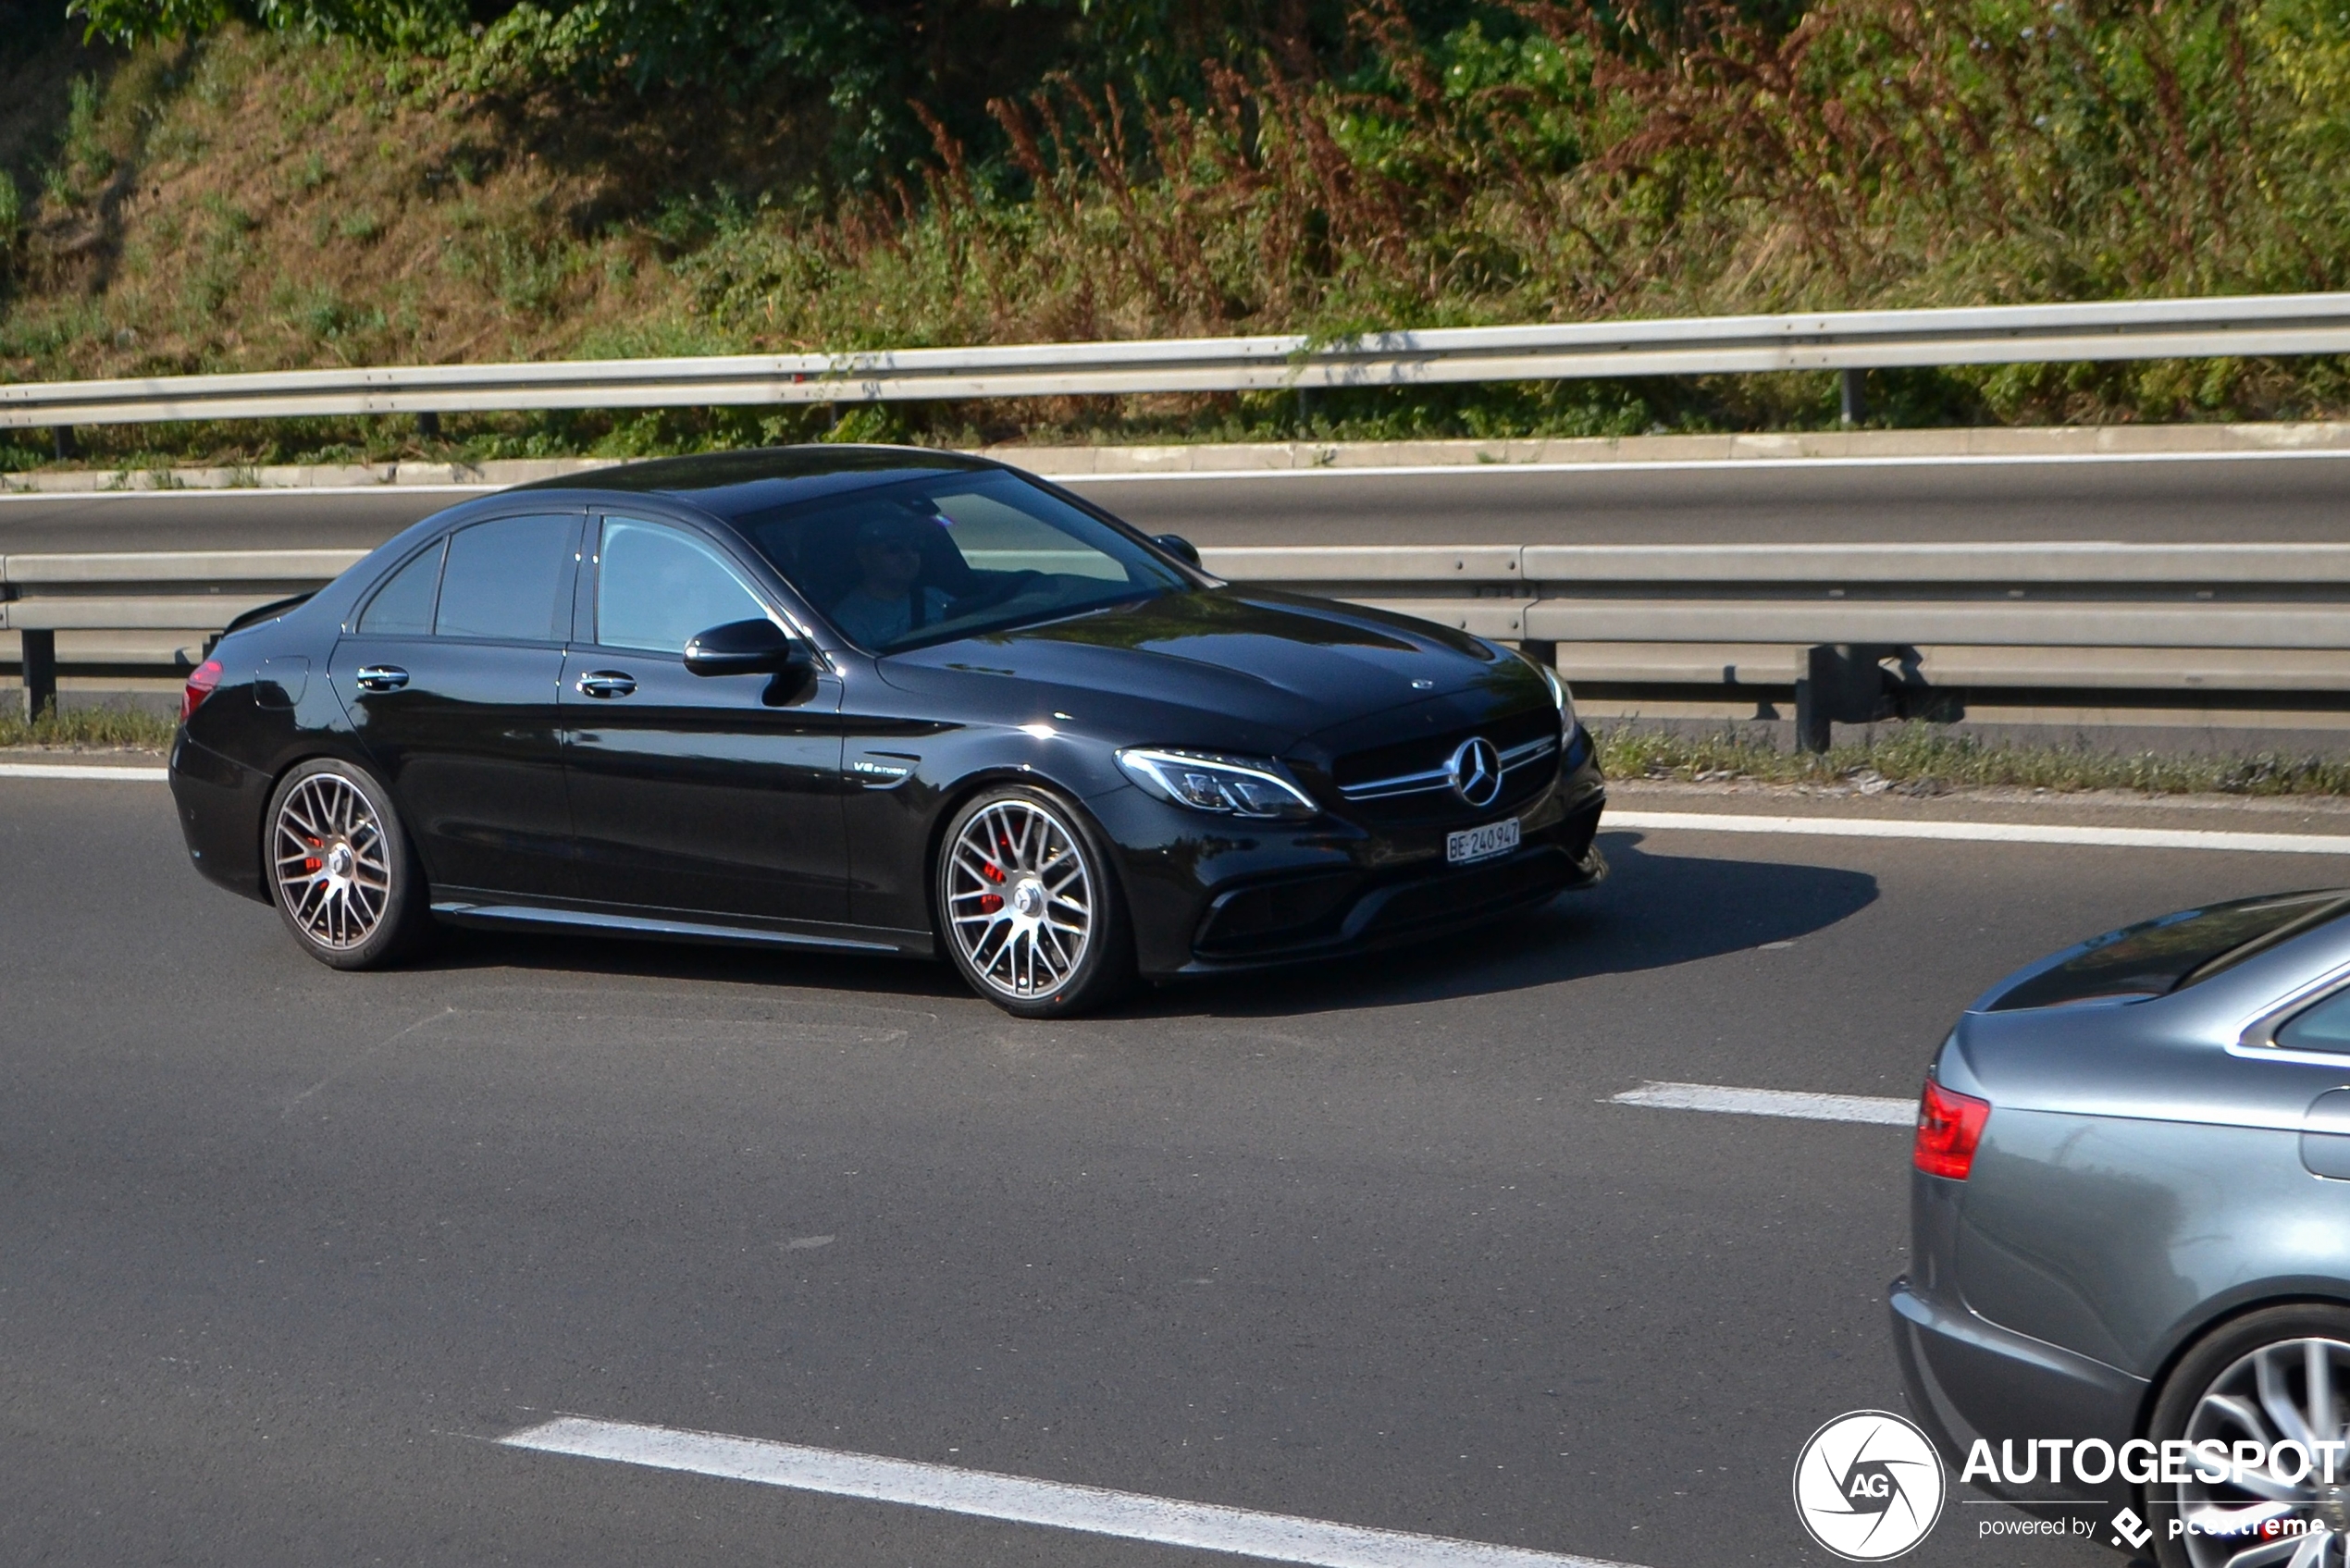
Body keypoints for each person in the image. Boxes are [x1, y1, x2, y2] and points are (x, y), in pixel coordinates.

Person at [830, 513, 957, 648]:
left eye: (915, 547)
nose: (908, 556)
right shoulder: (849, 621)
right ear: (864, 556)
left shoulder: (936, 597)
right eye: (894, 549)